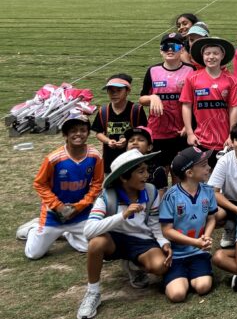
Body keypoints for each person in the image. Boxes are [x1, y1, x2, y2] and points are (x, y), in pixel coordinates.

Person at [77, 150, 170, 319]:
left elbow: (154, 224)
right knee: (95, 244)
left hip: (142, 241)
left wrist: (163, 242)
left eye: (146, 170)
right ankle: (93, 293)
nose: (147, 176)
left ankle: (134, 265)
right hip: (115, 241)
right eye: (140, 171)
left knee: (161, 266)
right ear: (123, 177)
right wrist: (123, 215)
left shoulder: (151, 192)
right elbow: (88, 230)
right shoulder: (107, 196)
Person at [24, 115, 103, 260]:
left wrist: (79, 207)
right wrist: (58, 207)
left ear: (88, 133)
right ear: (65, 135)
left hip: (80, 214)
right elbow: (39, 183)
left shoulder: (95, 156)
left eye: (82, 130)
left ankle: (67, 233)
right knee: (33, 254)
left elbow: (97, 183)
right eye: (73, 131)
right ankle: (33, 229)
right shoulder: (54, 158)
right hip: (54, 215)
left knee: (93, 247)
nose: (78, 134)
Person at [159, 147, 219, 303]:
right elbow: (167, 231)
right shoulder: (170, 196)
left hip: (198, 253)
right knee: (177, 295)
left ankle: (191, 275)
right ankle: (176, 278)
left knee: (203, 287)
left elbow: (212, 218)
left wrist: (206, 236)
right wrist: (196, 242)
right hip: (176, 255)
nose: (209, 168)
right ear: (189, 173)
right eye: (204, 165)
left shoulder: (208, 191)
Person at [139, 32, 194, 168]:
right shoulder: (152, 70)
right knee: (161, 172)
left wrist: (188, 126)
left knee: (180, 172)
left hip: (181, 131)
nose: (170, 50)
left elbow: (194, 101)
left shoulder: (190, 70)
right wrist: (152, 97)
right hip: (158, 131)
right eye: (165, 47)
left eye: (174, 46)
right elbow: (142, 98)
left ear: (182, 50)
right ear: (160, 51)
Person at [180, 36, 237, 151]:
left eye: (215, 53)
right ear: (202, 56)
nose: (211, 57)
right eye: (207, 53)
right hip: (199, 139)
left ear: (222, 56)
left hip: (225, 142)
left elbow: (233, 108)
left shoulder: (232, 80)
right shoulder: (192, 78)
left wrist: (231, 135)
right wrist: (190, 133)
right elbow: (186, 106)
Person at [92, 74, 147, 172]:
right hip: (110, 159)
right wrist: (108, 141)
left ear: (128, 91)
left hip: (131, 157)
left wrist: (128, 139)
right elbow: (99, 133)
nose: (114, 94)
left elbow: (143, 131)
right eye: (111, 91)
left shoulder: (136, 110)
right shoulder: (103, 111)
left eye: (119, 91)